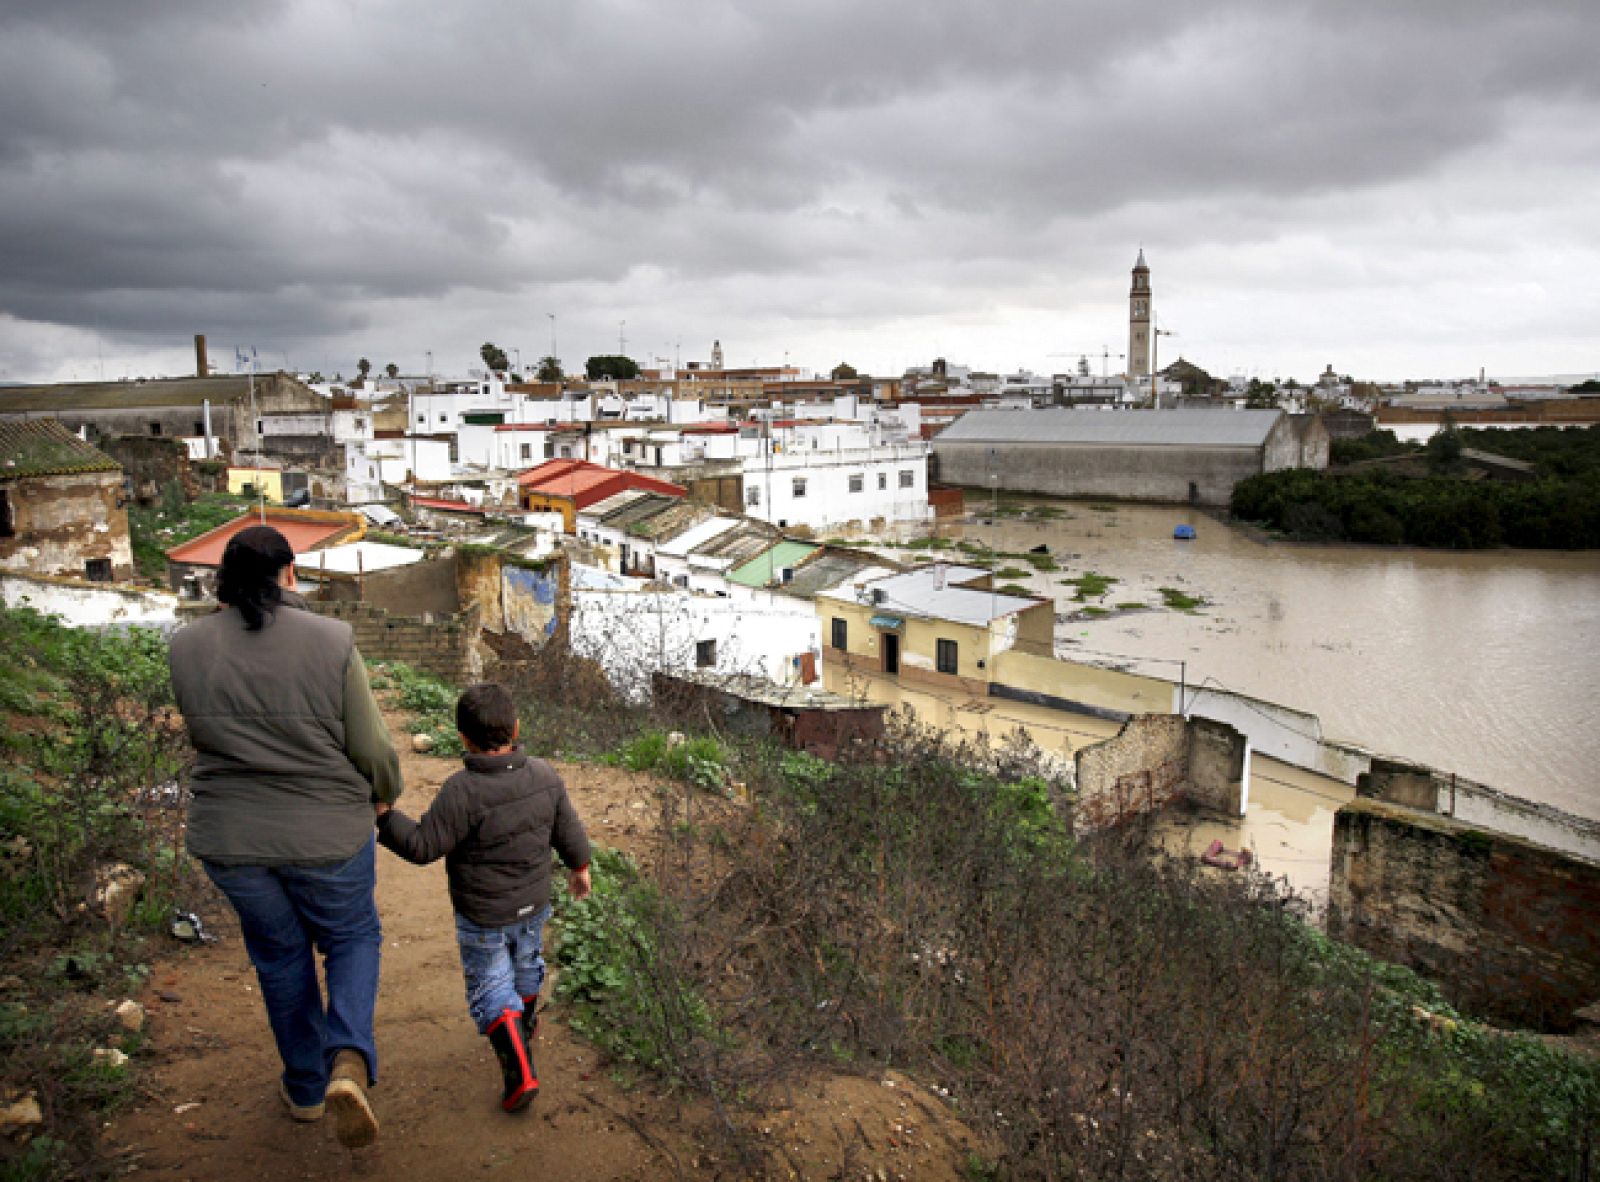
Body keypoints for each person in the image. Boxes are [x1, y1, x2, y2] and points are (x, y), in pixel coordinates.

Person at [168, 525, 401, 1149]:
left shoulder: (185, 647)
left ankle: (303, 1088)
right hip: (327, 832)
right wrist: (384, 793)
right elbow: (372, 745)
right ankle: (347, 1058)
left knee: (280, 956)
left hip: (231, 843)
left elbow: (204, 735)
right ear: (289, 574)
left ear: (224, 578)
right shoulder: (331, 640)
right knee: (352, 934)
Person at [374, 683, 591, 1112]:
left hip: (484, 915)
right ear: (515, 727)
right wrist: (580, 868)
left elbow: (422, 846)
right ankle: (523, 1031)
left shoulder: (463, 790)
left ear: (463, 738)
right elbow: (569, 830)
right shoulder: (545, 775)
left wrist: (385, 817)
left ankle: (520, 1070)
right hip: (533, 903)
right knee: (527, 965)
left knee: (491, 985)